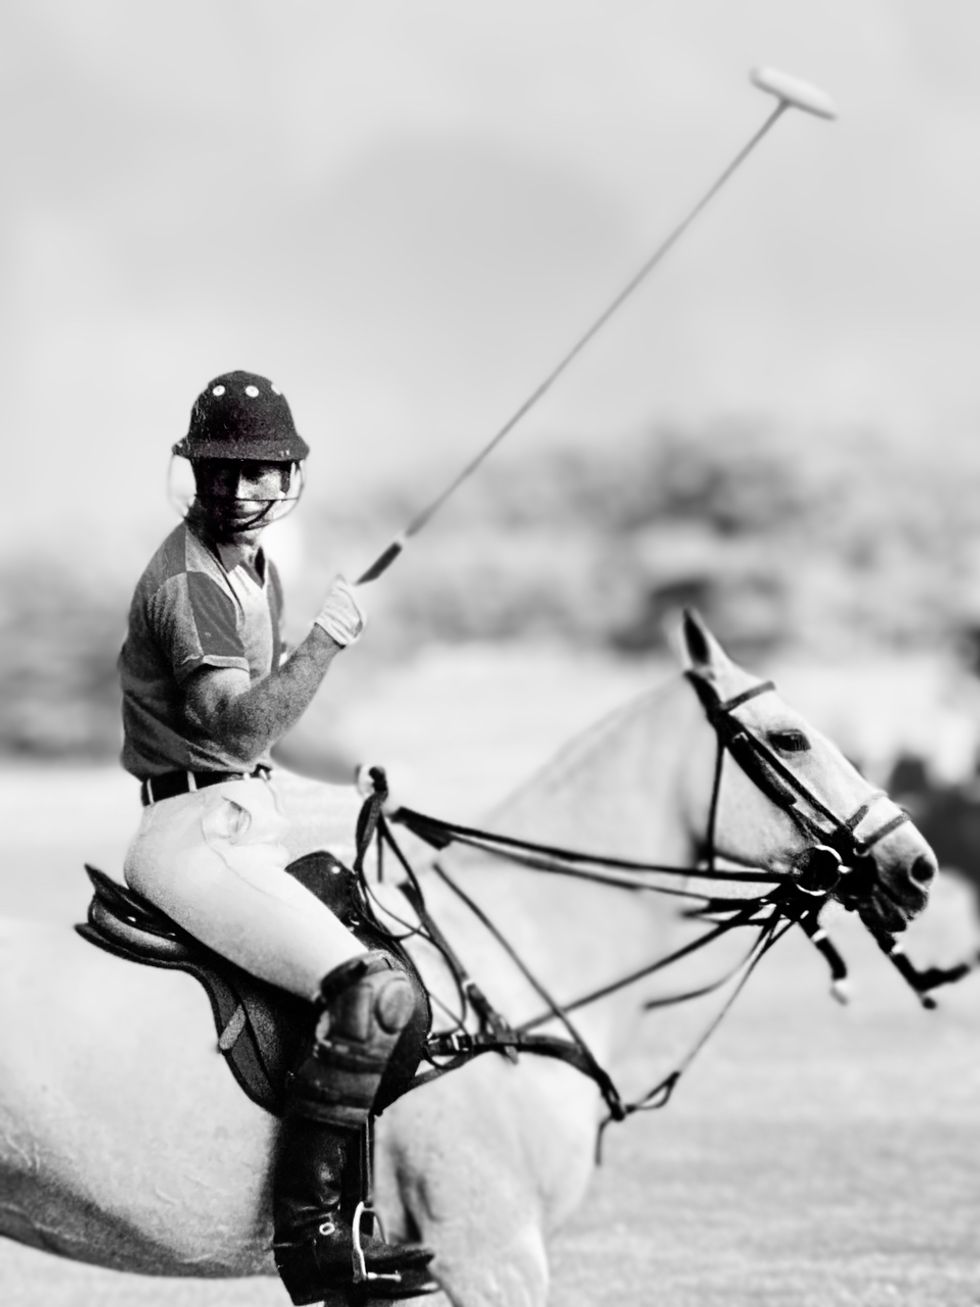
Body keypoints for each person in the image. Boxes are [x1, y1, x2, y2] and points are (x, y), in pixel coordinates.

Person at [117, 370, 434, 1303]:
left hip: (242, 806)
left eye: (261, 471)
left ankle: (367, 1205)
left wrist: (346, 787)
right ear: (197, 476)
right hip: (192, 826)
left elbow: (263, 744)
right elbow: (232, 729)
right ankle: (313, 1236)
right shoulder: (188, 586)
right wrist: (325, 645)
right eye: (225, 471)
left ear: (285, 475)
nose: (243, 491)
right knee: (369, 992)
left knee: (390, 914)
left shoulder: (257, 569)